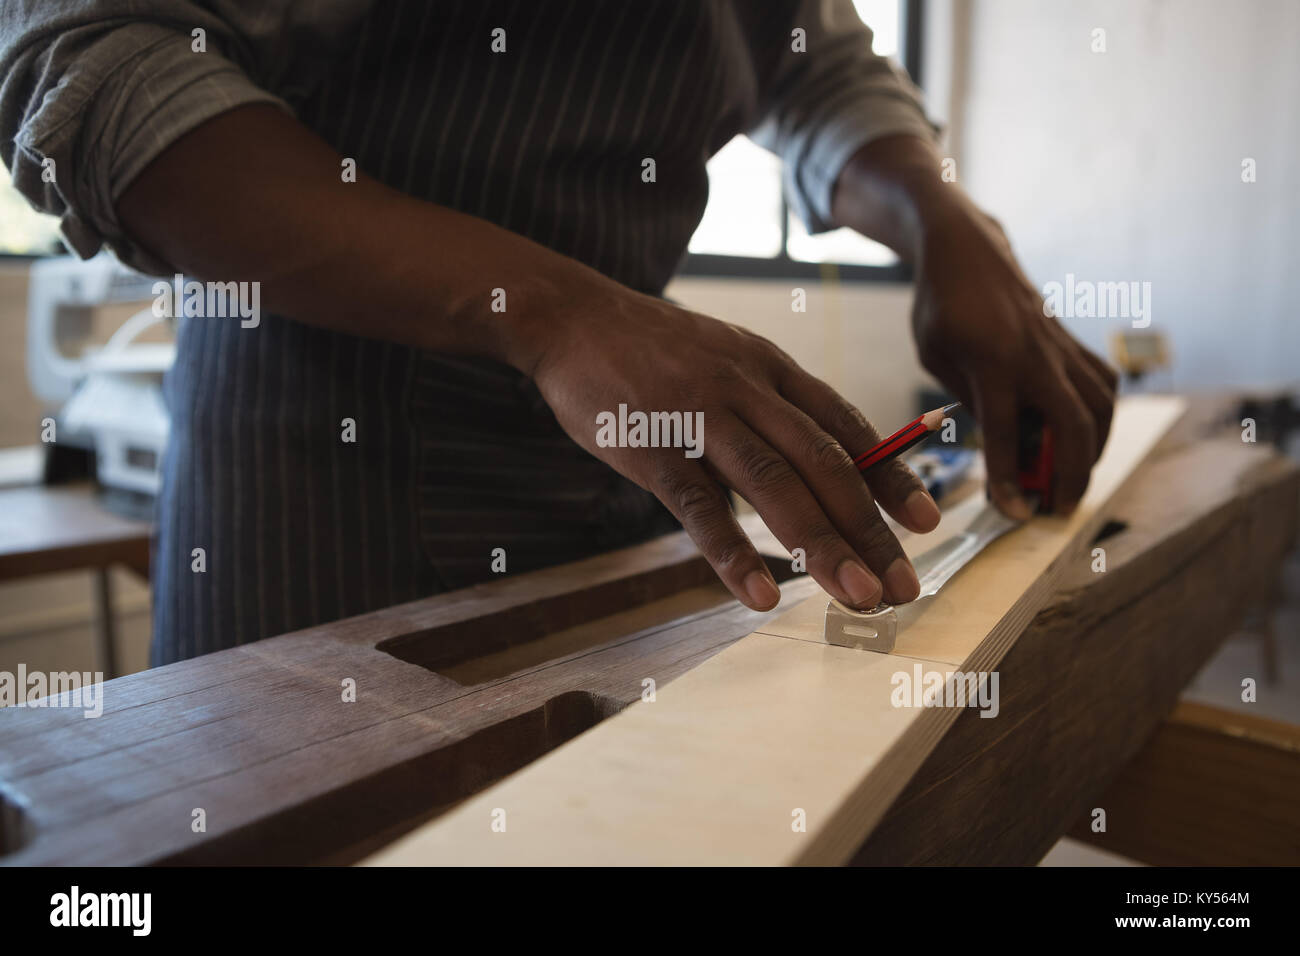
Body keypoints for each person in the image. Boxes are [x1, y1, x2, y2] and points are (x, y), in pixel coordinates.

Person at [0, 0, 1116, 664]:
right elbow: (96, 62)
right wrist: (552, 312)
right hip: (323, 503)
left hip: (624, 472)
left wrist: (942, 217)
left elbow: (814, 57)